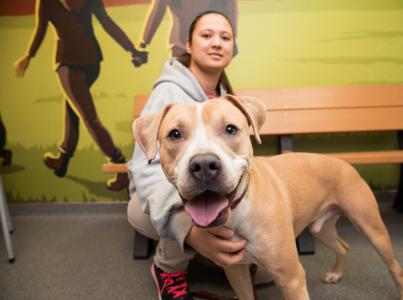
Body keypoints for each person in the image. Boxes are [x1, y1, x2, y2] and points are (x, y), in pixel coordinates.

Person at [128, 11, 269, 300]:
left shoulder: (223, 95)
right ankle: (169, 269)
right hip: (151, 197)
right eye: (207, 35)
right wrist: (188, 232)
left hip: (210, 187)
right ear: (189, 45)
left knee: (267, 269)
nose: (217, 42)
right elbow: (144, 170)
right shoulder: (169, 91)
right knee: (184, 212)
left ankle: (217, 255)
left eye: (225, 37)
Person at [14, 0, 146, 190]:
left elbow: (40, 29)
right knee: (73, 107)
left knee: (88, 117)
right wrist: (131, 50)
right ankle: (63, 158)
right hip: (92, 62)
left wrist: (29, 55)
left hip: (68, 64)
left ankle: (120, 167)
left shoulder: (47, 2)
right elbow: (109, 25)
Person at [134, 0, 238, 62]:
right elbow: (157, 12)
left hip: (194, 43)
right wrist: (144, 41)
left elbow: (230, 7)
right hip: (181, 44)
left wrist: (144, 42)